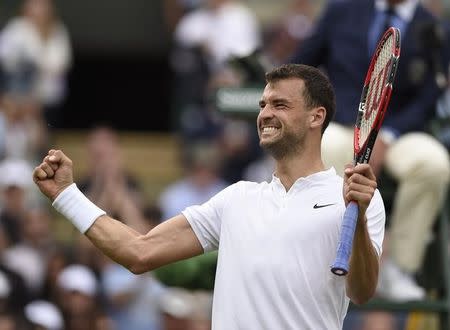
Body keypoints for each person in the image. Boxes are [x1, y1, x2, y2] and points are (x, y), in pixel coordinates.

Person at [32, 64, 385, 329]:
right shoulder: (236, 198)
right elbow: (138, 252)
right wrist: (66, 195)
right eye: (263, 105)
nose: (264, 114)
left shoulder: (355, 197)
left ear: (316, 116)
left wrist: (357, 218)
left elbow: (362, 291)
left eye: (280, 104)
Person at [290, 0, 450, 301]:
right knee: (323, 149)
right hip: (341, 124)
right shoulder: (340, 10)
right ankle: (328, 257)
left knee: (434, 164)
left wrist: (386, 135)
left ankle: (399, 268)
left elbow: (431, 94)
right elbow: (302, 66)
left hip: (400, 133)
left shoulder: (431, 25)